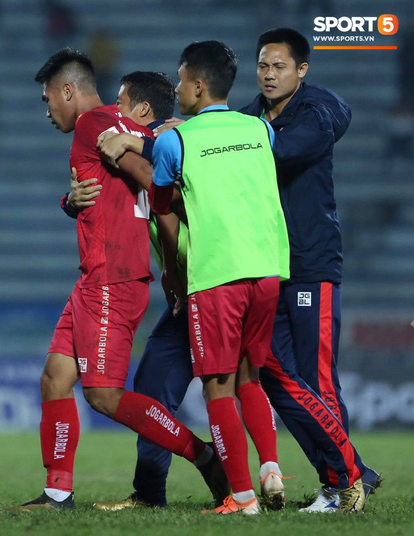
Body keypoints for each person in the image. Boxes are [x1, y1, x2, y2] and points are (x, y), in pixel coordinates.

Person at [11, 49, 224, 512]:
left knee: (104, 395)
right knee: (55, 377)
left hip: (112, 277)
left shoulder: (94, 123)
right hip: (95, 277)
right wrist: (70, 202)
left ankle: (206, 457)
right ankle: (57, 493)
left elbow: (151, 179)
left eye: (48, 100)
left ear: (68, 91)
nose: (47, 111)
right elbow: (119, 186)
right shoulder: (125, 125)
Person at [239, 27, 380, 514]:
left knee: (317, 380)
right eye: (263, 65)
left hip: (309, 264)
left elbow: (286, 149)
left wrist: (226, 145)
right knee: (280, 379)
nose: (269, 74)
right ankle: (348, 474)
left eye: (279, 66)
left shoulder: (317, 110)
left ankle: (343, 485)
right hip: (267, 266)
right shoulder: (250, 117)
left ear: (301, 70)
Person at [148, 40, 289, 515]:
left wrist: (172, 271)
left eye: (180, 80)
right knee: (251, 375)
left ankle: (243, 497)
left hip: (216, 274)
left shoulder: (175, 141)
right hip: (266, 268)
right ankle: (270, 468)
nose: (176, 89)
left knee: (217, 385)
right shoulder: (260, 128)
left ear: (198, 85)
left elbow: (162, 207)